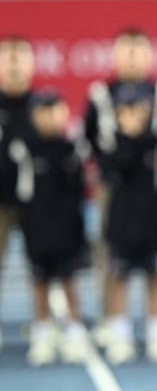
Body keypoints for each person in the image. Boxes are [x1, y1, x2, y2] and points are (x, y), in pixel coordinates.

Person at [84, 28, 157, 347]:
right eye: (127, 50)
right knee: (110, 255)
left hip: (152, 186)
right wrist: (113, 161)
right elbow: (88, 138)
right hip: (115, 187)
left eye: (139, 50)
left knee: (155, 257)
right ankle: (110, 320)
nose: (133, 57)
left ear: (150, 55)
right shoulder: (101, 95)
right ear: (115, 55)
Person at [98, 84, 157, 365]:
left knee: (155, 275)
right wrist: (126, 140)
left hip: (150, 218)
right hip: (120, 219)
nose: (132, 114)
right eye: (125, 109)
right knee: (119, 276)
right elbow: (110, 172)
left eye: (138, 108)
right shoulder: (111, 142)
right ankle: (120, 334)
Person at [10, 90, 89, 366]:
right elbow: (21, 193)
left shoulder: (73, 149)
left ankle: (74, 331)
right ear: (33, 115)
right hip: (37, 225)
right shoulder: (22, 150)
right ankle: (42, 332)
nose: (48, 117)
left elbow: (80, 191)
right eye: (42, 111)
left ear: (65, 113)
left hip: (67, 225)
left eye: (54, 110)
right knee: (39, 280)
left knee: (68, 278)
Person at [0, 35, 36, 352]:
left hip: (35, 203)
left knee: (44, 265)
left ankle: (45, 327)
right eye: (7, 58)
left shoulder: (41, 106)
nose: (13, 65)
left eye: (19, 58)